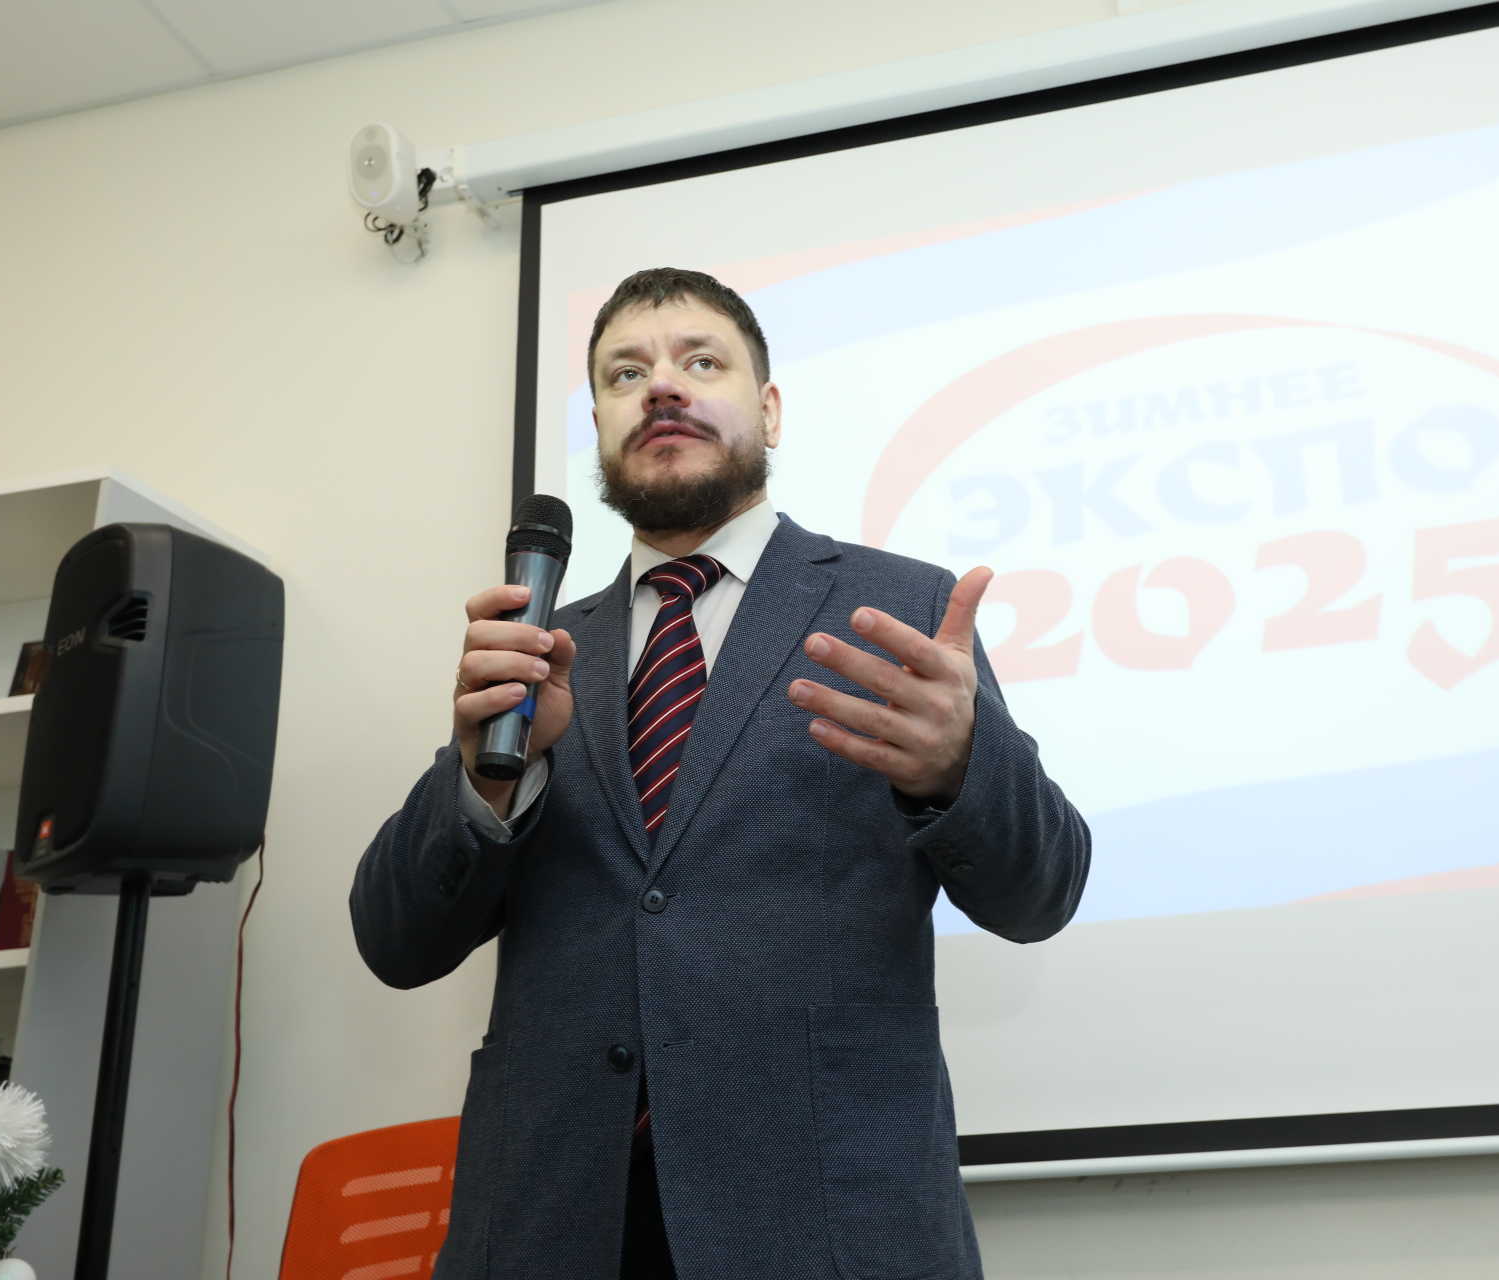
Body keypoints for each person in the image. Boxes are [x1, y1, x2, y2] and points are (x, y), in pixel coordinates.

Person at [351, 268, 1089, 1280]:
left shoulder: (900, 611)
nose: (661, 386)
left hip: (822, 1226)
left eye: (701, 362)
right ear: (601, 427)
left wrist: (961, 768)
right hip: (551, 1224)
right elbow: (394, 940)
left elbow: (1042, 894)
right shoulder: (541, 650)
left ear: (769, 411)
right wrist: (487, 781)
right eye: (625, 374)